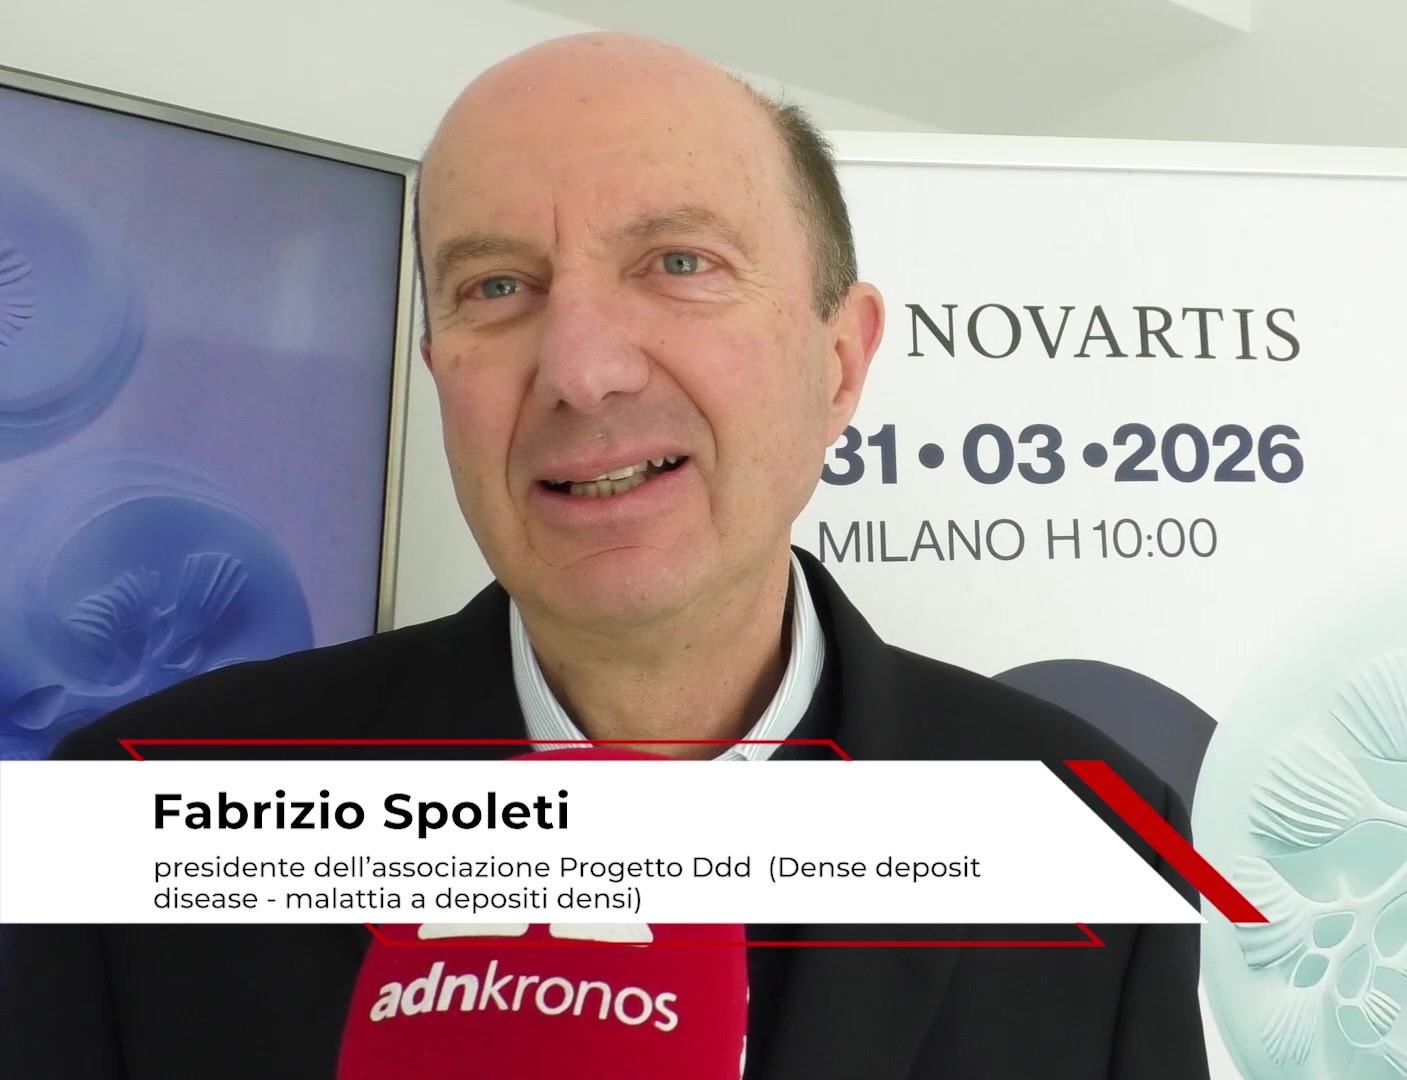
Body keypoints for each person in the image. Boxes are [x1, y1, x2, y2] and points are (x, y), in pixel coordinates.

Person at [0, 32, 1205, 1079]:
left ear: (839, 362)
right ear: (442, 374)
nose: (582, 370)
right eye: (496, 285)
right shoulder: (135, 817)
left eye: (679, 264)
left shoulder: (1087, 835)